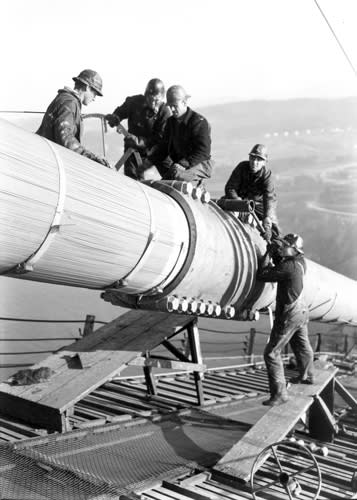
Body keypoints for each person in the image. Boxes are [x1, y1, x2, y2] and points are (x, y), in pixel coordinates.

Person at [257, 233, 315, 406]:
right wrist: (277, 251)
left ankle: (280, 394)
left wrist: (268, 253)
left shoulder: (288, 267)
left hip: (289, 313)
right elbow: (282, 264)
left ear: (292, 249)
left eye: (284, 246)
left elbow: (263, 274)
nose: (282, 248)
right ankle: (307, 375)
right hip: (302, 310)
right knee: (302, 345)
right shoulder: (300, 263)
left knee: (271, 353)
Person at [36, 69, 110, 168]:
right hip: (48, 163)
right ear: (87, 87)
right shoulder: (70, 102)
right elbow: (65, 136)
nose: (94, 98)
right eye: (95, 93)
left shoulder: (67, 100)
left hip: (46, 158)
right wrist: (91, 157)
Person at [142, 85, 213, 184]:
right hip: (179, 166)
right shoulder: (171, 123)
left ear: (184, 102)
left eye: (174, 106)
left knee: (178, 177)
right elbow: (163, 147)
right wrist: (148, 163)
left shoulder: (199, 122)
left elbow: (203, 152)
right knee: (161, 184)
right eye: (170, 106)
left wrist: (184, 164)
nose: (172, 109)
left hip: (200, 164)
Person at [105, 78, 171, 180]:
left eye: (156, 100)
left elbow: (161, 139)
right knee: (132, 181)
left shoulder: (165, 112)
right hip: (133, 149)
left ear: (162, 98)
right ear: (146, 96)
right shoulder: (134, 102)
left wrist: (138, 141)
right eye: (150, 99)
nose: (153, 103)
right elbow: (120, 112)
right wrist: (115, 117)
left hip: (155, 150)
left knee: (172, 175)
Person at [224, 144, 279, 242]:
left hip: (258, 206)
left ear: (264, 162)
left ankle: (274, 252)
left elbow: (269, 198)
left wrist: (267, 220)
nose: (254, 162)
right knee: (219, 207)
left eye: (259, 160)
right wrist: (238, 202)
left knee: (274, 231)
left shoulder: (266, 175)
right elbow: (230, 187)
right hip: (238, 200)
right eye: (252, 158)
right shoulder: (242, 167)